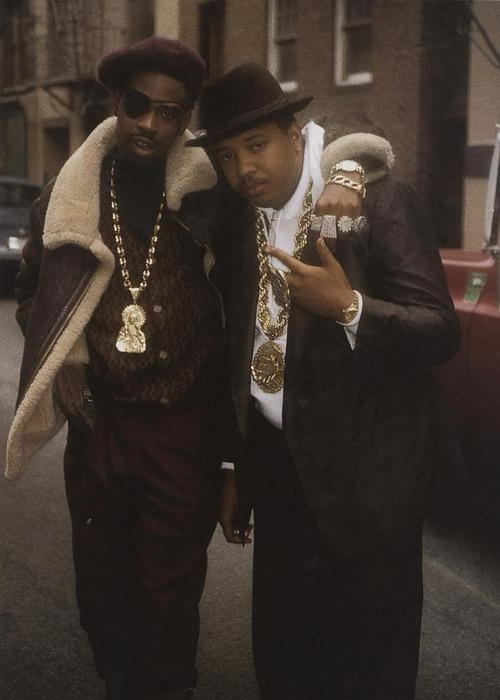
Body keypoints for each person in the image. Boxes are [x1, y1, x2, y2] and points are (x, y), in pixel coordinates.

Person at [5, 38, 388, 700]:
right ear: (114, 103)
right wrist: (67, 356)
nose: (149, 123)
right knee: (101, 595)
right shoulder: (67, 194)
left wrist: (349, 170)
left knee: (168, 598)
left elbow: (319, 148)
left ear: (185, 123)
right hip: (100, 426)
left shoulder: (212, 191)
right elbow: (32, 291)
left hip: (183, 430)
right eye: (137, 105)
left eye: (169, 113)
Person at [188, 63, 461, 699]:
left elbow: (440, 331)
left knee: (370, 670)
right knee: (284, 664)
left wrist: (349, 307)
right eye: (227, 156)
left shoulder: (376, 201)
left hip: (368, 488)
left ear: (294, 133)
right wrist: (232, 466)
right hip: (278, 475)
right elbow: (236, 352)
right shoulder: (236, 217)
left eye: (256, 145)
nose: (243, 169)